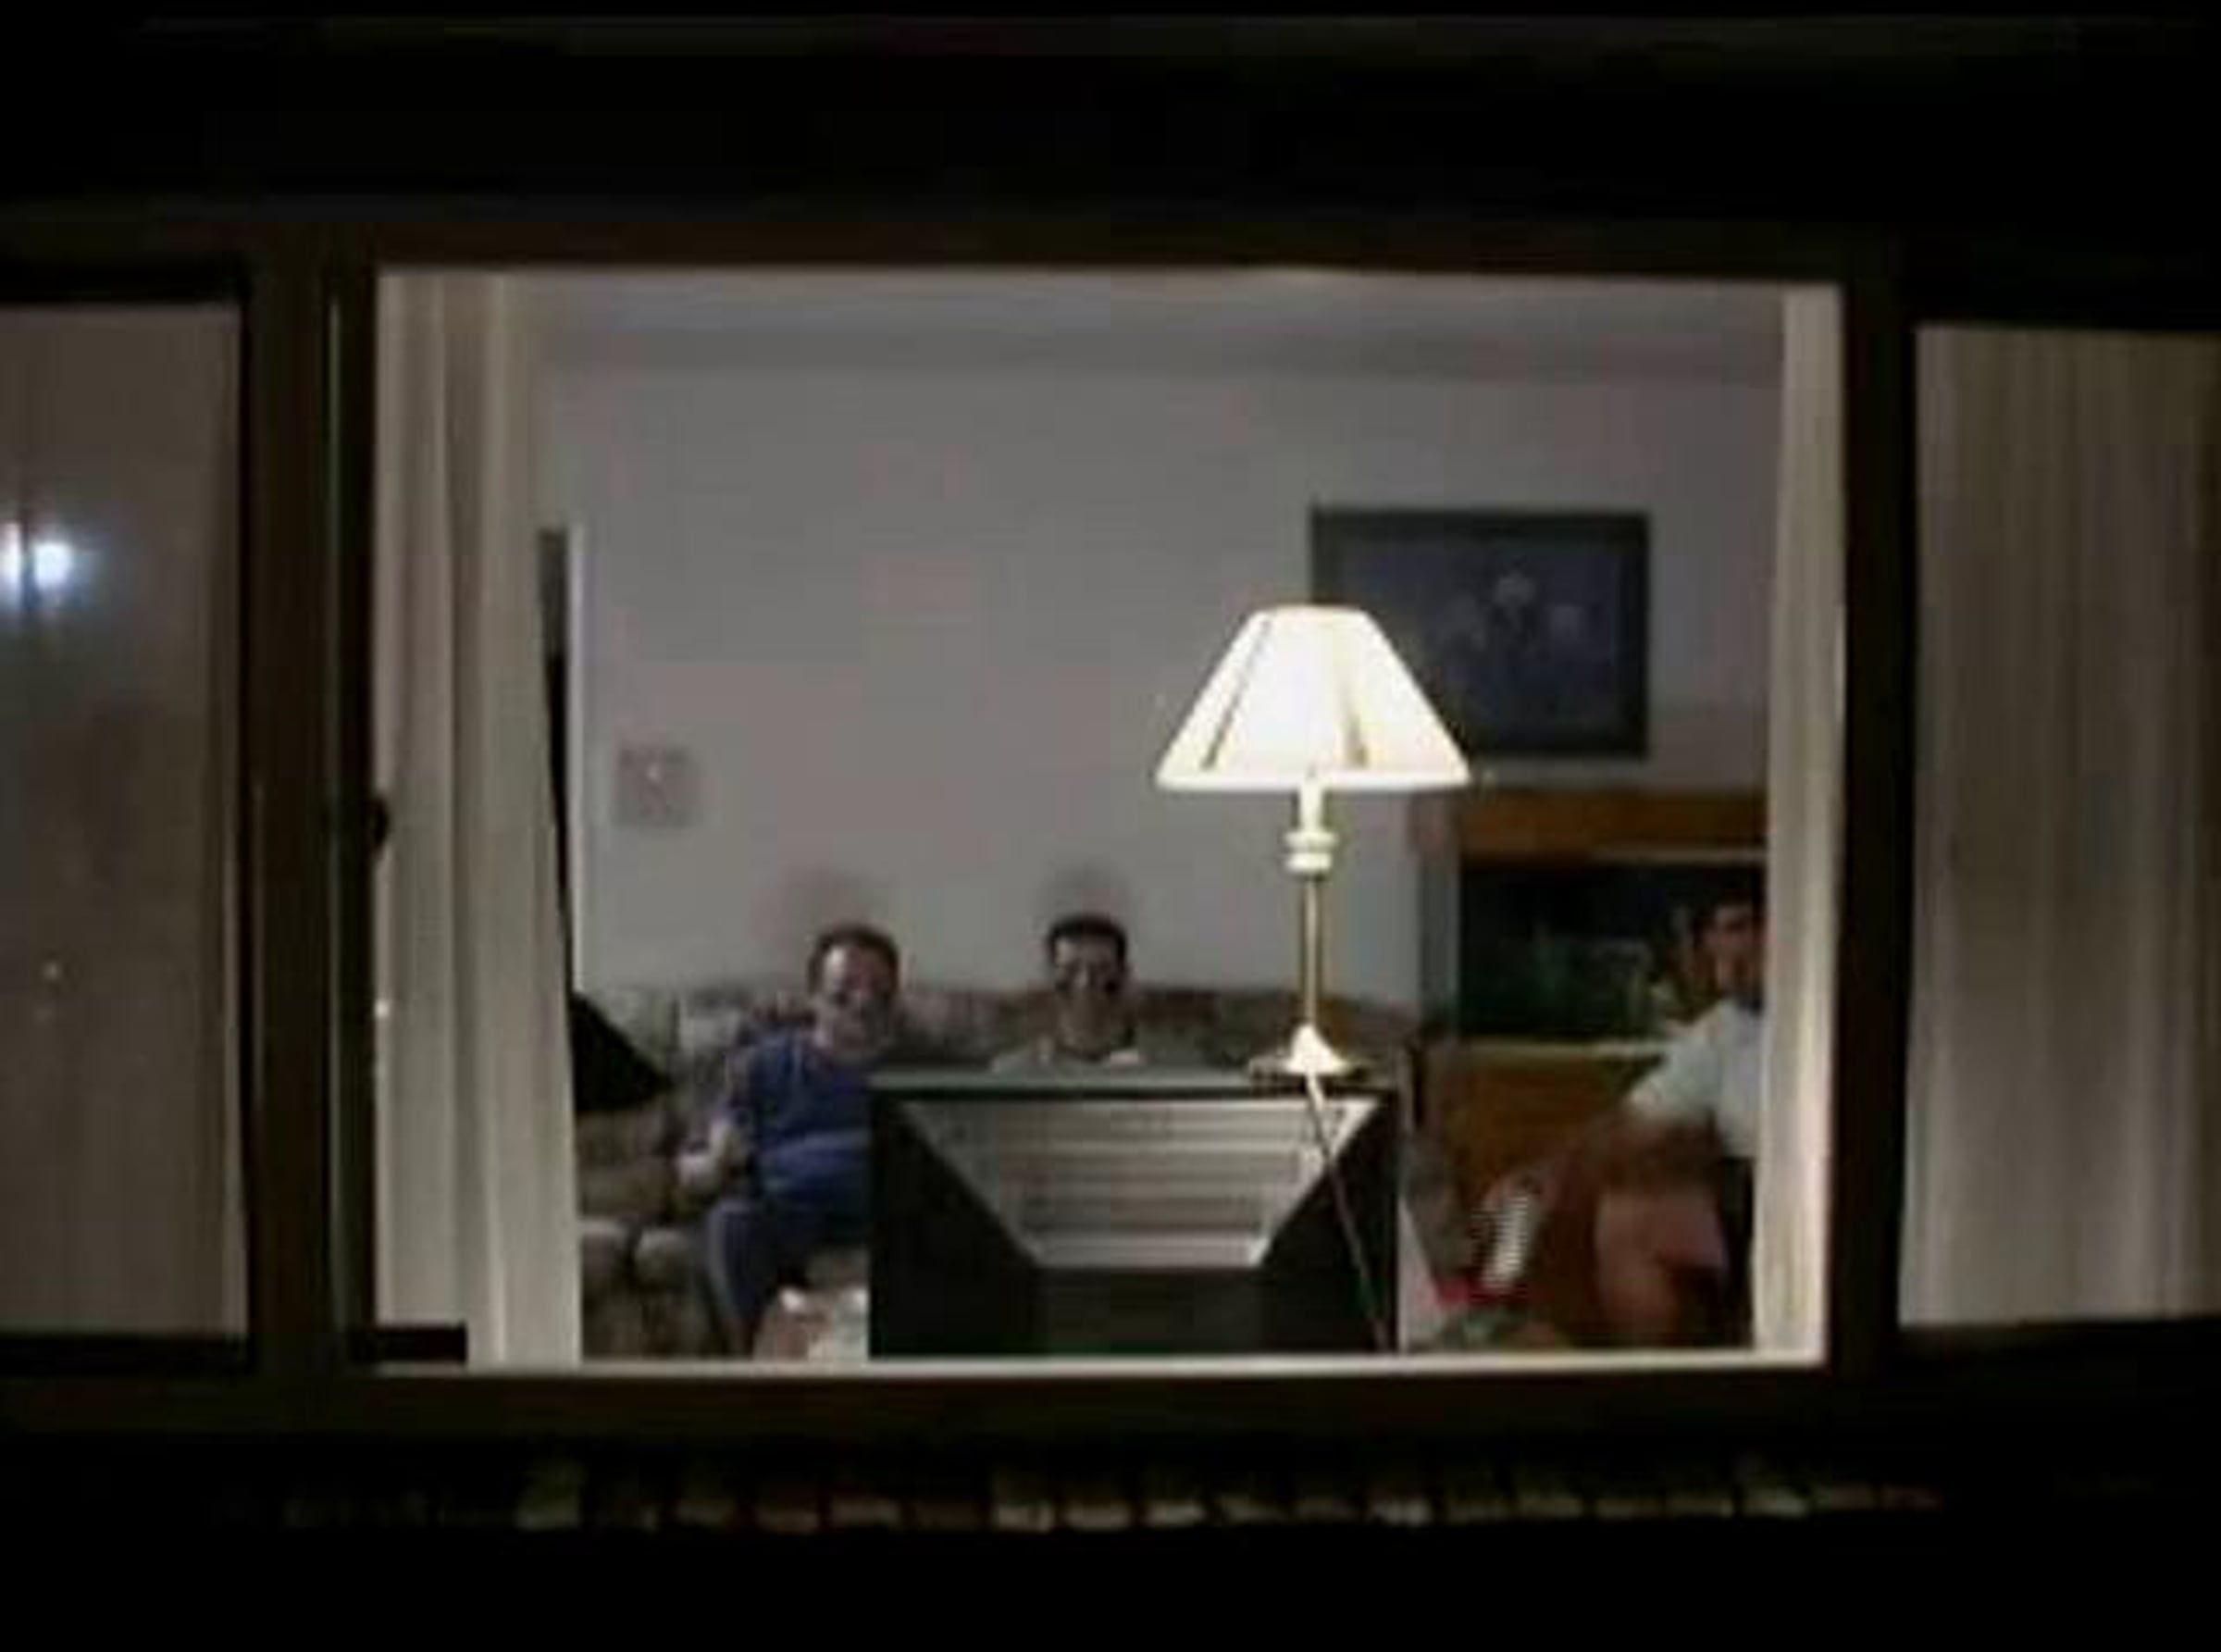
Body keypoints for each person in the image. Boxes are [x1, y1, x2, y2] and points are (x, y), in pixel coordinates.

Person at [1446, 889, 1765, 1350]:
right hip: (1743, 1200)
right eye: (1713, 932)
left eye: (1738, 928)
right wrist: (1546, 1177)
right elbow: (1632, 1124)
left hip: (1803, 1199)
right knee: (1626, 1216)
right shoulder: (1726, 1028)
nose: (1722, 950)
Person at [685, 922, 905, 1356]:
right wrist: (716, 1160)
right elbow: (698, 1168)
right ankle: (763, 1374)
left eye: (877, 989)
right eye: (845, 989)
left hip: (886, 1217)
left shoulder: (920, 1067)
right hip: (792, 1217)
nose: (862, 1001)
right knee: (731, 1224)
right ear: (814, 997)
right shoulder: (759, 1066)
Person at [990, 913, 1195, 1071]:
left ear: (1124, 976)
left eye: (1102, 970)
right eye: (1070, 970)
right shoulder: (1014, 1072)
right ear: (1048, 976)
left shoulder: (1173, 1066)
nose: (1085, 983)